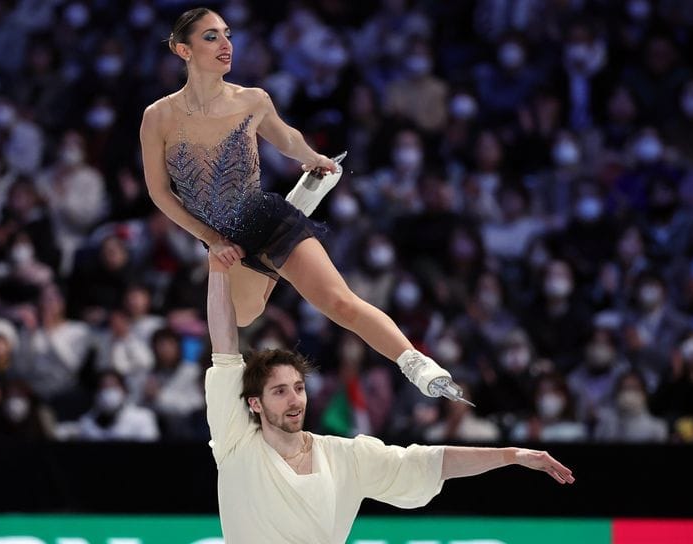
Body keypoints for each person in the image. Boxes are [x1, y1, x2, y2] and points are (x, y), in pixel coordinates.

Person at [139, 7, 461, 401]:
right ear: (182, 49)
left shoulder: (252, 100)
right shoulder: (158, 117)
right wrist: (212, 240)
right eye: (211, 37)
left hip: (267, 220)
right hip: (222, 239)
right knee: (245, 315)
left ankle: (416, 363)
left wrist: (311, 156)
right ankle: (300, 201)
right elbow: (159, 192)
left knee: (338, 302)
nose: (226, 45)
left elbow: (286, 137)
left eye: (227, 34)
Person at [204, 251, 574, 543]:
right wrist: (217, 268)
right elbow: (224, 347)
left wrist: (511, 456)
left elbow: (431, 463)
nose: (295, 399)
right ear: (254, 402)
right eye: (280, 391)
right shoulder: (236, 440)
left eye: (299, 388)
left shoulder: (344, 458)